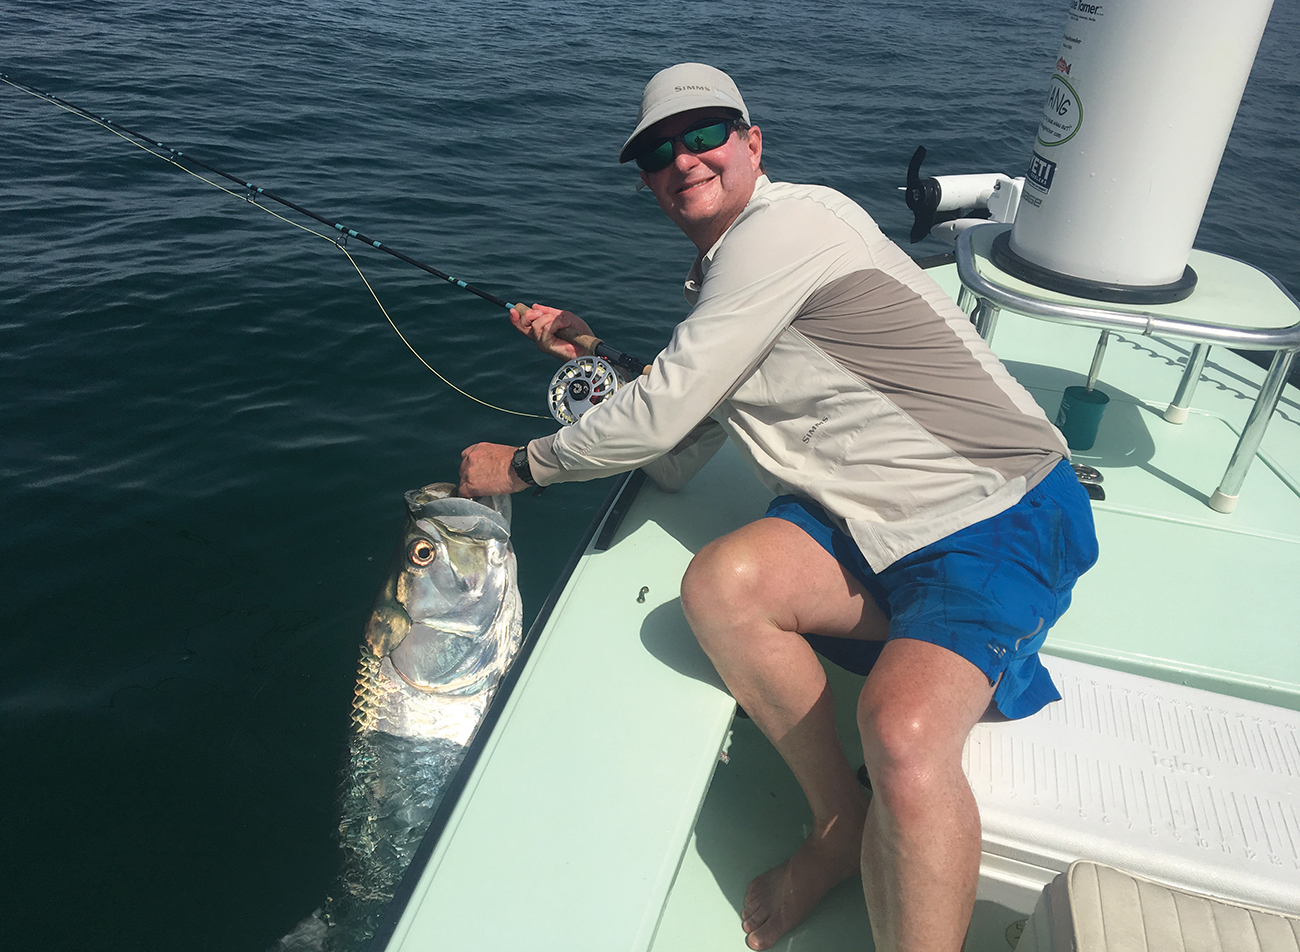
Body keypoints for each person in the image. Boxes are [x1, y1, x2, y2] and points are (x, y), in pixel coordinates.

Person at [459, 63, 1098, 952]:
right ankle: (840, 828)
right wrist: (589, 349)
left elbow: (662, 417)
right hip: (869, 523)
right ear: (647, 180)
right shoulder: (732, 278)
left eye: (704, 135)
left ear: (753, 143)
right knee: (722, 587)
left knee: (903, 735)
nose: (683, 160)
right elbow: (683, 446)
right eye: (656, 153)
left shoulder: (790, 224)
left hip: (994, 514)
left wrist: (521, 466)